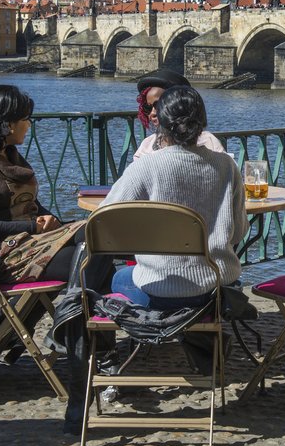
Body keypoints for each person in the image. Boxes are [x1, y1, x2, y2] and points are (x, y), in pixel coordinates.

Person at [103, 85, 247, 309]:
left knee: (118, 278)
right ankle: (199, 336)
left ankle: (120, 335)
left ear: (161, 119)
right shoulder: (227, 165)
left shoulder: (146, 166)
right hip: (217, 287)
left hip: (161, 288)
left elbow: (105, 222)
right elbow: (238, 232)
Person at [0, 85, 83, 283]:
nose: (29, 125)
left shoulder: (10, 154)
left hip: (32, 241)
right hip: (4, 255)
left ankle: (86, 311)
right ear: (7, 124)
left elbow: (32, 204)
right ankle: (80, 311)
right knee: (87, 260)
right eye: (25, 119)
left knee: (94, 234)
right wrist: (32, 226)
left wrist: (48, 218)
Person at [133, 69, 224, 160]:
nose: (152, 113)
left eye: (159, 105)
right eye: (147, 108)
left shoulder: (208, 142)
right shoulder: (146, 146)